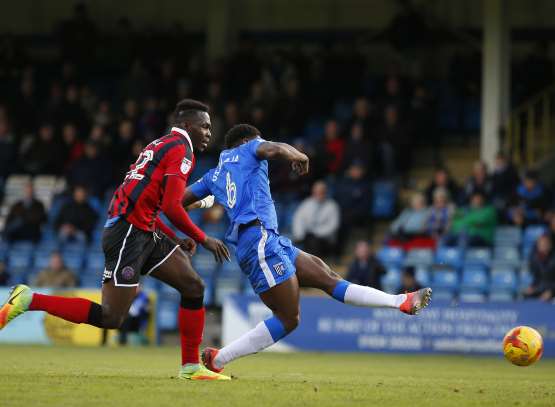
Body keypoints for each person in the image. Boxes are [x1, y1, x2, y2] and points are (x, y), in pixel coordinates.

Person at [0, 99, 231, 381]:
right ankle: (29, 299)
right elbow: (172, 206)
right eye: (205, 126)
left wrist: (175, 238)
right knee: (111, 317)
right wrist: (202, 238)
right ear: (186, 125)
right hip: (128, 234)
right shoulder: (181, 150)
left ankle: (191, 367)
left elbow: (147, 201)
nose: (209, 132)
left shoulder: (159, 145)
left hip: (144, 229)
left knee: (193, 286)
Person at [183, 124, 432, 374]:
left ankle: (402, 301)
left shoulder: (214, 176)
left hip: (269, 239)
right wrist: (298, 155)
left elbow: (179, 200)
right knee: (289, 318)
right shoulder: (250, 148)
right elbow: (275, 148)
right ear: (246, 141)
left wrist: (195, 205)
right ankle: (219, 358)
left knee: (328, 277)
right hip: (258, 243)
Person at [292, 181, 340, 257]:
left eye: (321, 192)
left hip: (325, 239)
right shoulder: (307, 203)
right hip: (308, 236)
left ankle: (312, 263)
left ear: (325, 192)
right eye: (316, 192)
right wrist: (300, 234)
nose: (318, 194)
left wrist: (316, 233)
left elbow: (333, 226)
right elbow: (298, 219)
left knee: (313, 241)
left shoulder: (332, 205)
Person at [524, 234, 555, 302]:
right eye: (540, 244)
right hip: (542, 289)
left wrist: (551, 292)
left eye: (545, 243)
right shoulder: (535, 259)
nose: (542, 246)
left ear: (550, 245)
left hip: (552, 290)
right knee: (526, 295)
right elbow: (537, 278)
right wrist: (532, 287)